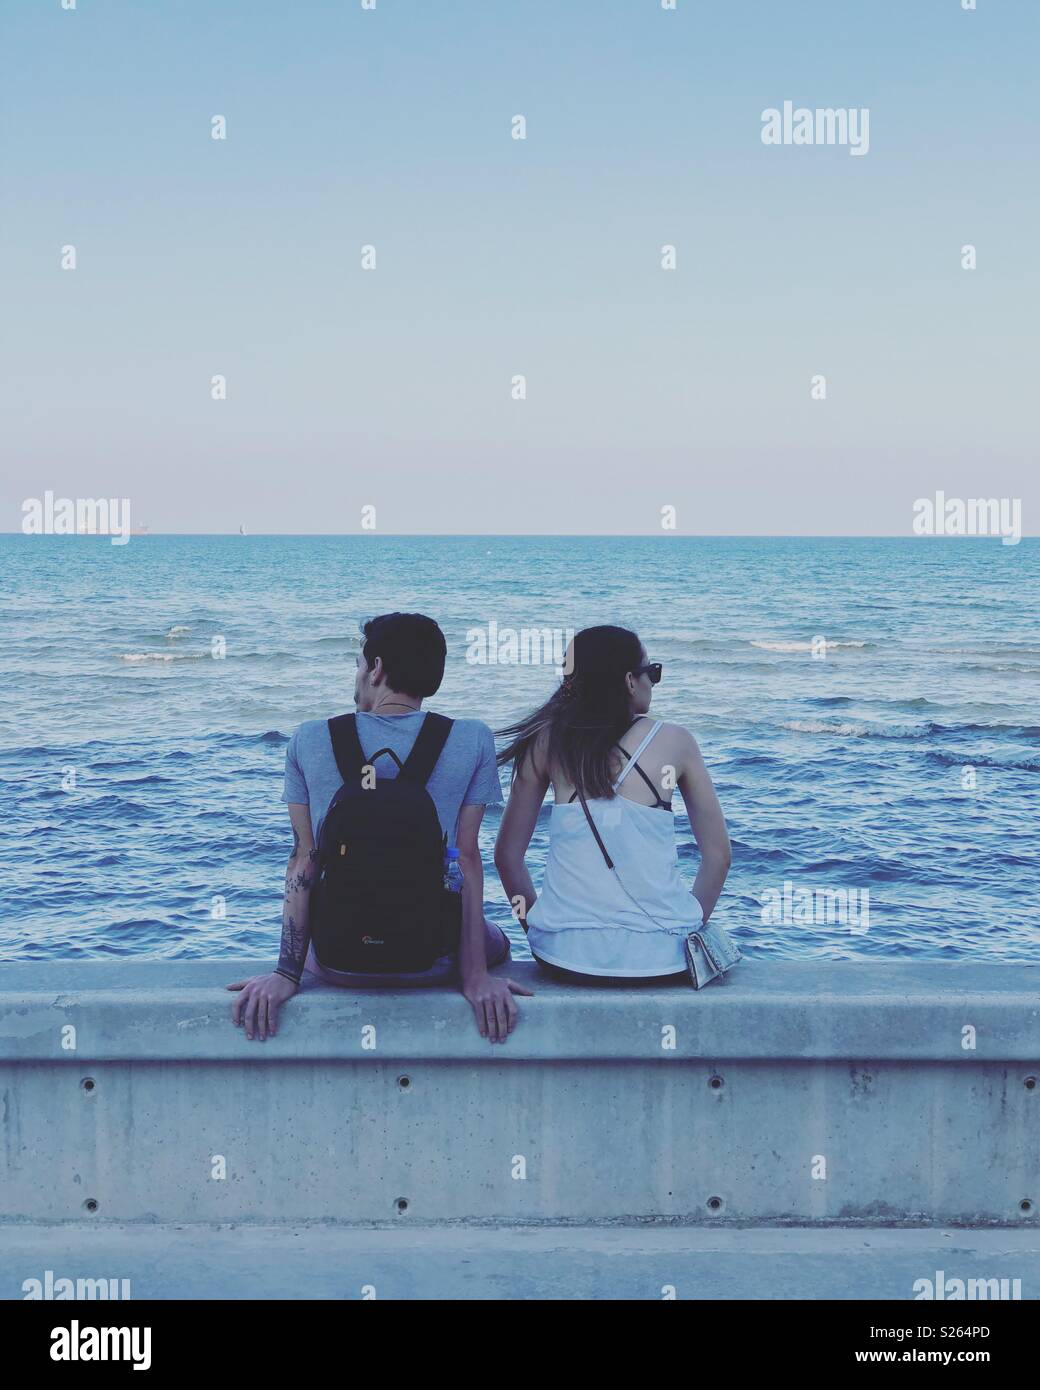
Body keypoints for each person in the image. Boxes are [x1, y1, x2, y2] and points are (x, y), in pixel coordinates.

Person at [229, 612, 532, 1041]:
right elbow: (465, 859)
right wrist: (477, 978)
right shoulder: (471, 738)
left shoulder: (310, 738)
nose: (356, 675)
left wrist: (285, 974)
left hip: (340, 964)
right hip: (431, 961)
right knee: (496, 938)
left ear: (376, 668)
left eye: (358, 663)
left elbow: (303, 860)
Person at [494, 625, 731, 983]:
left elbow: (507, 856)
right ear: (629, 681)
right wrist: (687, 928)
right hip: (662, 960)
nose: (654, 681)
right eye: (652, 672)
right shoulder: (676, 742)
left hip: (561, 958)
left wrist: (542, 929)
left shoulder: (545, 741)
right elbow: (718, 856)